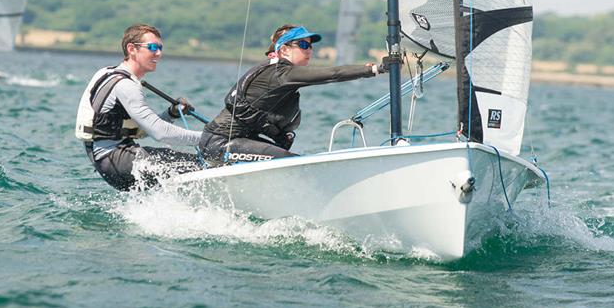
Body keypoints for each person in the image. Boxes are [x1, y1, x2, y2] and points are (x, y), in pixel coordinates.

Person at [199, 24, 386, 164]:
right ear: (284, 50)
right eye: (303, 44)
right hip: (220, 144)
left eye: (311, 46)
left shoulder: (280, 73)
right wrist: (374, 69)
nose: (310, 50)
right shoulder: (280, 73)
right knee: (293, 163)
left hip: (231, 141)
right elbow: (332, 74)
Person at [75, 23, 203, 191]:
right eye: (152, 47)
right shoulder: (126, 86)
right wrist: (207, 139)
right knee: (200, 165)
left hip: (109, 162)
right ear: (131, 49)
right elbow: (160, 133)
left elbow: (142, 130)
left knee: (184, 165)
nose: (159, 53)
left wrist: (171, 114)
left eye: (160, 47)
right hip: (118, 160)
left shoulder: (107, 72)